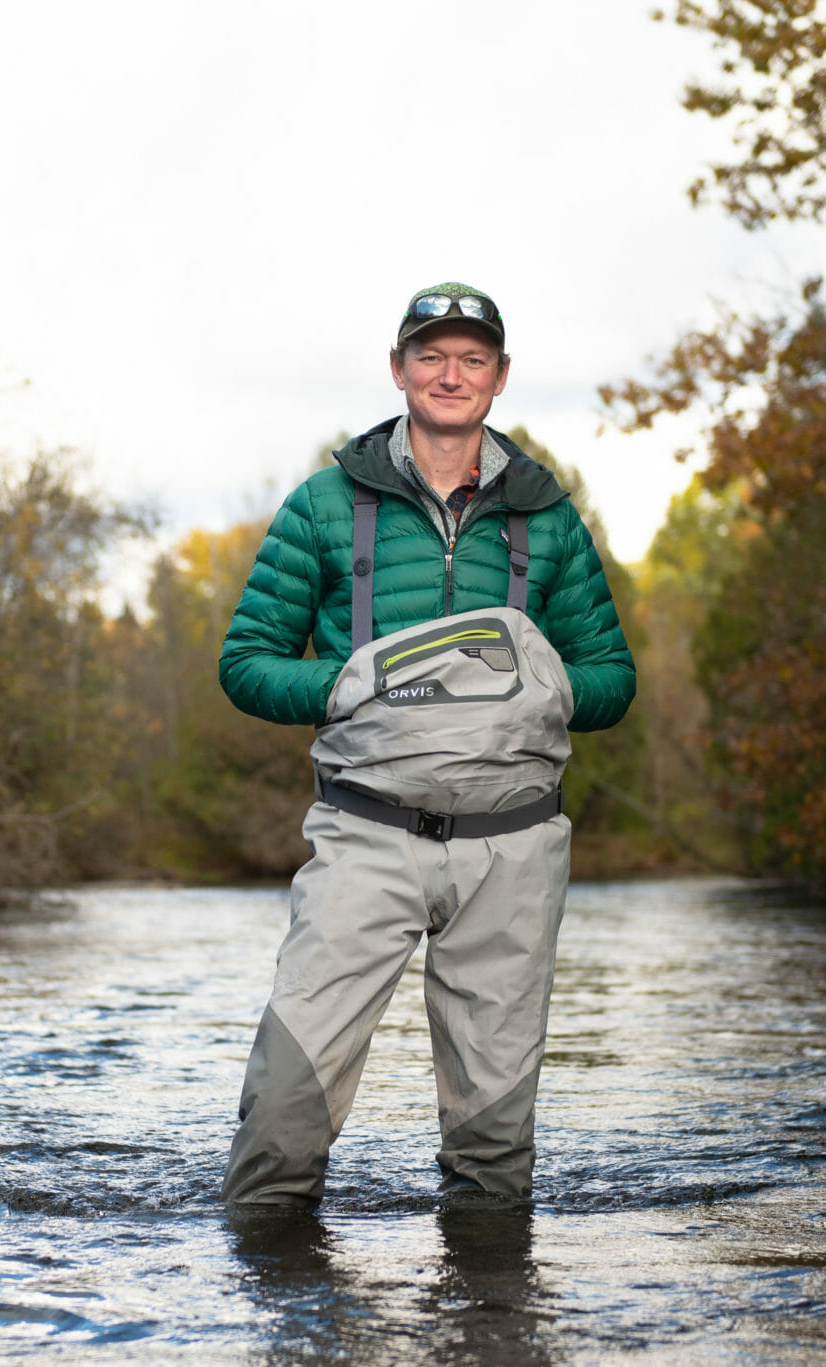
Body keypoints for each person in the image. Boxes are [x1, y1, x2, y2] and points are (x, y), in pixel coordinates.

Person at [216, 282, 637, 1208]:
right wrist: (345, 680)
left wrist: (549, 684)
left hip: (513, 843)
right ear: (400, 368)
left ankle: (490, 1322)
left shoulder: (546, 511)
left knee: (494, 1158)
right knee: (282, 1119)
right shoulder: (324, 504)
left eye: (473, 358)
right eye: (433, 356)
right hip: (367, 833)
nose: (452, 375)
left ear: (500, 377)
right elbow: (244, 664)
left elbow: (614, 678)